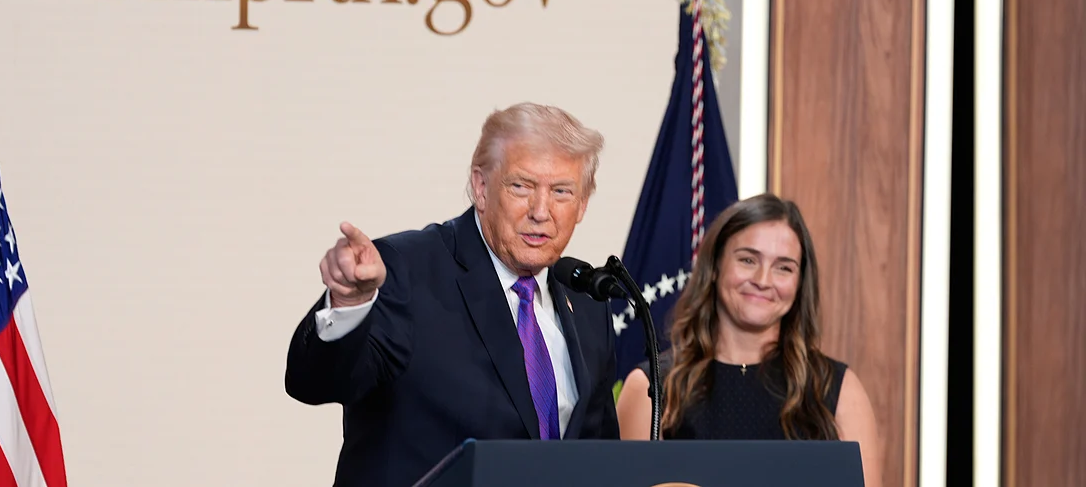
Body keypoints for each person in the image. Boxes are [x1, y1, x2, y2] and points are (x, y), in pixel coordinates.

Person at [285, 102, 620, 487]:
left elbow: (598, 455)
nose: (541, 211)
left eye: (561, 191)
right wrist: (348, 305)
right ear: (481, 186)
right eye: (521, 186)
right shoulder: (405, 269)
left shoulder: (588, 304)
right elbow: (315, 382)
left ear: (582, 205)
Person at [614, 194, 881, 487]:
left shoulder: (838, 388)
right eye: (748, 259)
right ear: (714, 266)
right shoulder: (650, 386)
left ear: (800, 281)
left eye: (784, 267)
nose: (763, 280)